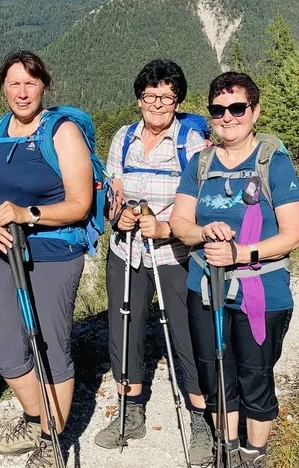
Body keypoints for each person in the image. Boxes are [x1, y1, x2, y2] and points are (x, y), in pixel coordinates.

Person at [168, 71, 299, 468]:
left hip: (261, 290)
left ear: (254, 111)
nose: (227, 117)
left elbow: (294, 234)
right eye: (218, 109)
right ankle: (226, 448)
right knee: (214, 374)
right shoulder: (200, 163)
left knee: (255, 374)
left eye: (237, 108)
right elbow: (179, 223)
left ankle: (254, 454)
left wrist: (241, 254)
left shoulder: (273, 164)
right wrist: (202, 230)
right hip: (205, 286)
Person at [0, 51, 94, 468]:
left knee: (51, 346)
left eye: (30, 83)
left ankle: (50, 439)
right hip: (4, 250)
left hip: (55, 250)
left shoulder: (62, 132)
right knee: (6, 348)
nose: (22, 92)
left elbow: (80, 203)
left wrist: (29, 214)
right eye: (14, 84)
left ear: (44, 86)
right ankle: (36, 414)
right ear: (3, 88)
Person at [95, 59, 212, 463]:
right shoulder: (123, 139)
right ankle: (131, 410)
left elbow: (201, 205)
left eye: (167, 96)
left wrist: (164, 227)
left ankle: (201, 418)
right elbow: (112, 195)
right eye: (150, 96)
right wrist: (119, 215)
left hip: (173, 252)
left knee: (186, 334)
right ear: (138, 98)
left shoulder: (191, 143)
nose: (158, 104)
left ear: (178, 99)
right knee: (123, 329)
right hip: (127, 251)